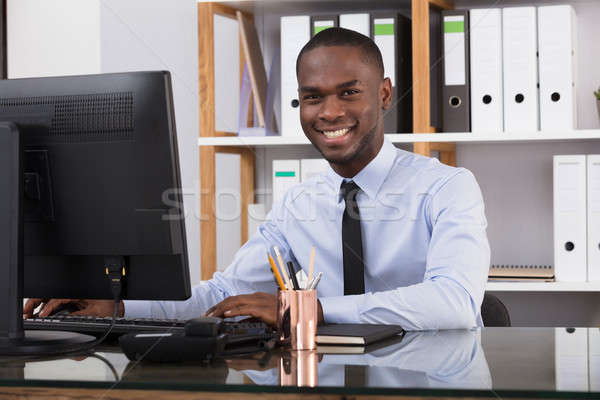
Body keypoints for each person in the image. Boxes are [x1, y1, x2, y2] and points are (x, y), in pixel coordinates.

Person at [24, 28, 490, 330]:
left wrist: (307, 310)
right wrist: (118, 305)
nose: (329, 112)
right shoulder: (298, 203)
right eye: (312, 97)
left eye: (349, 93)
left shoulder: (447, 188)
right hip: (320, 379)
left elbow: (454, 302)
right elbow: (222, 295)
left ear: (384, 93)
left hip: (429, 382)